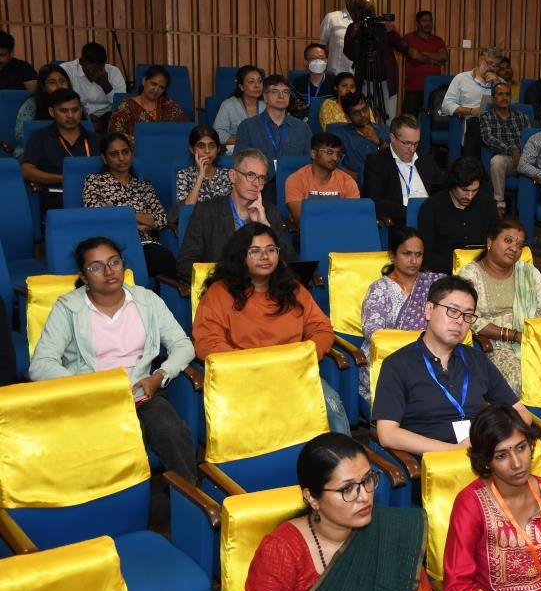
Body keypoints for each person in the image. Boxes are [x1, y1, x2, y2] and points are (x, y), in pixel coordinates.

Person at [29, 236, 197, 482]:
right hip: (93, 400)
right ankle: (123, 499)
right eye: (96, 267)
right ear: (83, 276)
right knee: (122, 440)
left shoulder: (146, 300)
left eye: (114, 262)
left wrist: (159, 376)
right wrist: (89, 388)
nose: (108, 271)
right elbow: (41, 365)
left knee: (170, 429)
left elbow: (183, 345)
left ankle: (190, 496)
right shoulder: (68, 307)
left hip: (142, 392)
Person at [242, 432, 439, 591]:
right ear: (312, 498)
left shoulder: (390, 529)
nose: (364, 497)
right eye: (347, 489)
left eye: (367, 480)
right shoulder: (281, 552)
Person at [193, 223, 348, 433]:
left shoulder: (293, 289)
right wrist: (255, 367)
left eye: (271, 249)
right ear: (240, 256)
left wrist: (304, 356)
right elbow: (208, 343)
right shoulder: (219, 293)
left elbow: (322, 328)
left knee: (332, 407)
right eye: (255, 251)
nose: (265, 256)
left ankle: (346, 455)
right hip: (244, 378)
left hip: (294, 372)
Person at [443, 404, 541, 591]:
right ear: (486, 461)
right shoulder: (471, 504)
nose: (517, 464)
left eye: (521, 448)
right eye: (501, 455)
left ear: (531, 445)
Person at [372, 276, 532, 453]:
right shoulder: (397, 364)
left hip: (481, 456)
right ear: (429, 310)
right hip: (432, 463)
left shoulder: (477, 360)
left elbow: (521, 413)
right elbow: (387, 434)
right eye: (453, 311)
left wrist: (494, 442)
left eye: (468, 315)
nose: (460, 321)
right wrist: (454, 450)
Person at [459, 220, 541, 395]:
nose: (514, 248)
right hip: (495, 345)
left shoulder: (528, 273)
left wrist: (537, 336)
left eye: (519, 245)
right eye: (508, 241)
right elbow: (469, 318)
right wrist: (513, 335)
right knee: (522, 380)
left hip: (533, 339)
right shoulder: (470, 275)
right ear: (490, 242)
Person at [177, 149, 296, 281]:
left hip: (262, 288)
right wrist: (225, 277)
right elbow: (185, 264)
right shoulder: (207, 212)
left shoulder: (269, 212)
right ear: (232, 176)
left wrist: (266, 227)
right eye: (250, 175)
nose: (256, 184)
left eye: (261, 178)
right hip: (223, 286)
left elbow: (290, 261)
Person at [359, 227, 444, 401]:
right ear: (392, 255)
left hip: (432, 355)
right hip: (388, 357)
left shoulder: (435, 284)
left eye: (419, 254)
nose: (414, 260)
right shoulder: (379, 289)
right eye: (407, 254)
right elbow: (373, 332)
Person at [83, 132, 177, 279]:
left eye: (125, 152)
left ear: (132, 154)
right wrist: (137, 218)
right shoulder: (94, 182)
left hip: (143, 243)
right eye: (114, 154)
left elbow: (161, 218)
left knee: (164, 259)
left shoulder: (144, 185)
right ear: (105, 158)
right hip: (109, 243)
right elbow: (96, 215)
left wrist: (118, 213)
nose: (121, 158)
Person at [21, 88, 100, 210]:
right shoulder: (39, 137)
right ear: (52, 112)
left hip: (95, 198)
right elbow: (26, 171)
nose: (70, 115)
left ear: (81, 110)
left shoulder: (95, 139)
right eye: (63, 110)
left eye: (75, 110)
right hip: (57, 197)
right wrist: (64, 178)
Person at [419, 157, 499, 274]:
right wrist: (456, 271)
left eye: (475, 190)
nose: (470, 196)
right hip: (444, 272)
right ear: (452, 184)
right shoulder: (431, 207)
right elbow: (426, 252)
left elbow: (496, 243)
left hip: (481, 271)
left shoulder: (488, 205)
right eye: (465, 190)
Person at [363, 114, 442, 225]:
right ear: (392, 138)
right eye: (407, 143)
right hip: (403, 221)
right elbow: (375, 201)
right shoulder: (377, 161)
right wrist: (413, 213)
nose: (412, 149)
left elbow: (441, 190)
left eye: (416, 143)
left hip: (432, 219)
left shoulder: (426, 160)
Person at [343, 0, 409, 122]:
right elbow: (349, 54)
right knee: (365, 117)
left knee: (388, 119)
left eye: (370, 9)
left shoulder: (383, 26)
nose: (368, 13)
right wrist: (353, 36)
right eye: (364, 9)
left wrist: (392, 32)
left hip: (386, 80)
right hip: (365, 79)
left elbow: (403, 47)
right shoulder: (354, 28)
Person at [234, 74, 313, 170]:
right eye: (275, 91)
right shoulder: (247, 127)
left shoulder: (302, 128)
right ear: (265, 97)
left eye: (285, 91)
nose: (281, 96)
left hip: (294, 178)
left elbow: (310, 163)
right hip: (259, 178)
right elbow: (240, 163)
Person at [441, 46, 504, 159]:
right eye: (490, 63)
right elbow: (446, 105)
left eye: (496, 66)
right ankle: (472, 165)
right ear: (480, 60)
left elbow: (511, 106)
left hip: (496, 124)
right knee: (476, 123)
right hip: (470, 122)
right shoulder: (461, 79)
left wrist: (497, 84)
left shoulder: (500, 83)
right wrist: (471, 111)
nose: (492, 68)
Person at [284, 132, 360, 222]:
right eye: (329, 152)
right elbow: (302, 219)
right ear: (313, 153)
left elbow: (353, 217)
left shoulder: (348, 182)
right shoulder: (296, 180)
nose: (335, 158)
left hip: (340, 229)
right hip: (310, 230)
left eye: (338, 154)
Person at [479, 81, 531, 210]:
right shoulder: (486, 117)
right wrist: (512, 150)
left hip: (524, 157)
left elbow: (530, 139)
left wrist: (519, 152)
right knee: (497, 161)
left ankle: (527, 207)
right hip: (506, 159)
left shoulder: (522, 117)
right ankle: (499, 203)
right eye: (500, 94)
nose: (504, 97)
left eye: (507, 94)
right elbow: (488, 138)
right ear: (493, 98)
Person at [108, 65, 188, 140]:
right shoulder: (127, 106)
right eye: (153, 84)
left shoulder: (169, 105)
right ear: (144, 81)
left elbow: (185, 130)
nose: (156, 90)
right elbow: (116, 135)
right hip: (136, 148)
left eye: (161, 87)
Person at [61, 42, 126, 130]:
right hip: (77, 115)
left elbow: (122, 104)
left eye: (100, 67)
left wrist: (105, 84)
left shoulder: (113, 72)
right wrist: (84, 116)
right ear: (81, 61)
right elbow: (61, 99)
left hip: (106, 117)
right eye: (92, 67)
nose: (96, 72)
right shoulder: (66, 70)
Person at [13, 63, 70, 159]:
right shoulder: (32, 104)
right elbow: (21, 135)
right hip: (34, 152)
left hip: (69, 151)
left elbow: (86, 130)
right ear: (43, 87)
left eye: (62, 81)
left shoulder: (75, 103)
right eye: (52, 83)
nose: (59, 86)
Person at [401, 10, 448, 115]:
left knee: (433, 119)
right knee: (409, 119)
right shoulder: (409, 38)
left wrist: (422, 53)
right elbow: (414, 55)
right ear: (417, 23)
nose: (428, 24)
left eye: (430, 21)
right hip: (414, 88)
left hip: (434, 89)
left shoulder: (438, 40)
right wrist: (433, 60)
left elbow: (444, 56)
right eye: (424, 21)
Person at [175, 124, 232, 206]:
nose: (207, 151)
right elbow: (185, 210)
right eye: (201, 146)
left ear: (218, 149)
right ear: (192, 149)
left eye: (212, 146)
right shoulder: (184, 175)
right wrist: (200, 177)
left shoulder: (228, 175)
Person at [336, 91, 389, 178]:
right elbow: (334, 163)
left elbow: (395, 159)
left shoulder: (384, 130)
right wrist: (358, 177)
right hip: (352, 181)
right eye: (356, 113)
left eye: (364, 109)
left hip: (382, 180)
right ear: (347, 117)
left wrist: (378, 141)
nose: (363, 115)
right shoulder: (341, 134)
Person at [319, 0, 366, 76]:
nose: (361, 2)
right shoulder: (332, 18)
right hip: (335, 74)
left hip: (359, 76)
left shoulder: (366, 22)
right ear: (347, 0)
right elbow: (321, 46)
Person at [213, 65, 265, 145]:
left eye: (260, 81)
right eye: (251, 82)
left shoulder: (267, 105)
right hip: (237, 149)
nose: (257, 85)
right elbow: (217, 133)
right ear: (241, 87)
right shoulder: (228, 105)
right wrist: (244, 140)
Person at [288, 43, 335, 119]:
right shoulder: (298, 83)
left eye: (321, 58)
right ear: (306, 62)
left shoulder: (335, 82)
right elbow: (291, 108)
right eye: (313, 58)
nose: (318, 61)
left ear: (326, 61)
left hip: (329, 121)